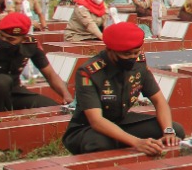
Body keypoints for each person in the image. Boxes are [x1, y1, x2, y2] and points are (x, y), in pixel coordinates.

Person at [63, 22, 184, 154]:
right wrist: (137, 142)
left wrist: (168, 131)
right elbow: (96, 120)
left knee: (176, 130)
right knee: (99, 143)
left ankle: (123, 142)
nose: (132, 57)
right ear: (110, 50)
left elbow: (159, 101)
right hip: (88, 129)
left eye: (136, 53)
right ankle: (123, 144)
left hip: (121, 122)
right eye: (126, 54)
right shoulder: (89, 72)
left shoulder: (139, 64)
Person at [0, 13, 73, 112]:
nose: (4, 40)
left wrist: (66, 96)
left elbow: (50, 75)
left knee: (50, 107)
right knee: (2, 81)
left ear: (23, 38)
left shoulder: (30, 45)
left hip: (14, 92)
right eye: (2, 35)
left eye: (10, 39)